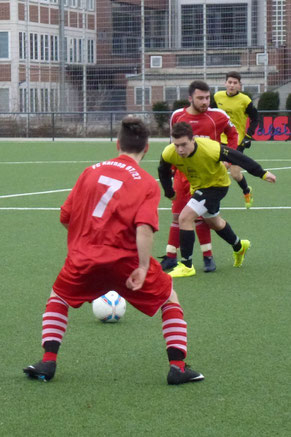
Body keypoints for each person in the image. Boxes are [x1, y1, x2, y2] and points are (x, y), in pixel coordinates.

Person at [23, 117, 204, 385]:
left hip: (83, 259)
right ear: (146, 149)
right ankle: (177, 367)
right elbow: (144, 227)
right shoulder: (146, 182)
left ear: (118, 143)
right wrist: (143, 267)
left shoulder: (90, 171)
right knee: (169, 299)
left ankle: (47, 363)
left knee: (58, 297)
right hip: (126, 263)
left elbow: (66, 216)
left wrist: (84, 243)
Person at [158, 122, 276, 278]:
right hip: (199, 187)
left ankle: (186, 265)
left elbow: (238, 157)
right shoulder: (169, 152)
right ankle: (239, 246)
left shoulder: (211, 148)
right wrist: (169, 191)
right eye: (176, 145)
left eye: (184, 145)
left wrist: (262, 173)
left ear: (193, 140)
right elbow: (163, 170)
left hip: (217, 186)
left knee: (185, 218)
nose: (180, 149)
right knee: (215, 223)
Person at [160, 80, 239, 274]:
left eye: (207, 97)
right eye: (200, 98)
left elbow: (233, 133)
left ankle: (208, 257)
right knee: (179, 215)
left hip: (207, 175)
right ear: (190, 98)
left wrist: (228, 158)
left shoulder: (217, 116)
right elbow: (173, 144)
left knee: (201, 217)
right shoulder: (177, 116)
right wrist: (171, 169)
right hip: (182, 174)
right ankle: (171, 257)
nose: (205, 102)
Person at [214, 71, 259, 208]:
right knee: (233, 172)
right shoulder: (217, 96)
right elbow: (210, 113)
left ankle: (244, 192)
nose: (232, 85)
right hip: (220, 138)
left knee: (228, 170)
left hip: (237, 140)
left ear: (240, 85)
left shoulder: (245, 100)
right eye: (230, 82)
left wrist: (248, 137)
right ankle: (246, 191)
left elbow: (255, 119)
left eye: (235, 83)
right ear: (225, 83)